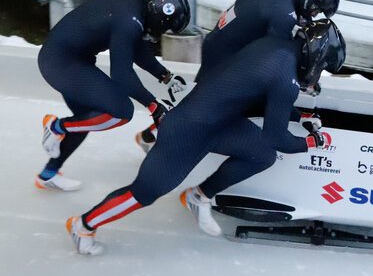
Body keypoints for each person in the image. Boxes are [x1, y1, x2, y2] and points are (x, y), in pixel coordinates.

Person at [65, 18, 346, 255]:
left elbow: (267, 100)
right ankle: (83, 225)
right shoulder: (286, 78)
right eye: (321, 67)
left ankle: (198, 196)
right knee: (144, 193)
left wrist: (300, 118)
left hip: (219, 120)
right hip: (188, 130)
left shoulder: (276, 45)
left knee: (261, 154)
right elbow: (278, 136)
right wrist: (311, 143)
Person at [135, 0, 340, 150]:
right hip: (225, 51)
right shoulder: (284, 15)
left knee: (201, 98)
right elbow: (280, 56)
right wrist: (305, 80)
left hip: (222, 43)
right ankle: (158, 137)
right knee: (205, 100)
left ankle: (152, 133)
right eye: (316, 10)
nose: (314, 15)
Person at [36, 0, 191, 191]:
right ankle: (55, 127)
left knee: (87, 118)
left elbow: (136, 49)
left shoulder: (134, 9)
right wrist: (154, 106)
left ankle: (48, 174)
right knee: (120, 111)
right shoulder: (129, 20)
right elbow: (121, 76)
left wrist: (165, 76)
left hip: (67, 59)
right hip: (62, 63)